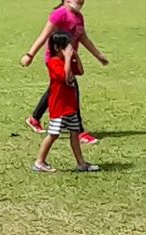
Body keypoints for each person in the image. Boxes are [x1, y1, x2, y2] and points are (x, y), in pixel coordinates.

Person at [21, 0, 108, 136]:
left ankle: (35, 118)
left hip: (69, 58)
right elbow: (44, 36)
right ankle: (79, 131)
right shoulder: (59, 14)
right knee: (72, 88)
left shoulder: (79, 16)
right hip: (56, 59)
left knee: (56, 89)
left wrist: (98, 55)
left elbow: (83, 38)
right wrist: (30, 55)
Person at [34, 33, 98, 173]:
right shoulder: (53, 63)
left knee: (75, 132)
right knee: (53, 134)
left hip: (70, 106)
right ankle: (39, 162)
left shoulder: (67, 61)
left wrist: (75, 56)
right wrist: (68, 58)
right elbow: (64, 76)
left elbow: (80, 71)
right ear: (58, 48)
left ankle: (81, 163)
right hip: (59, 106)